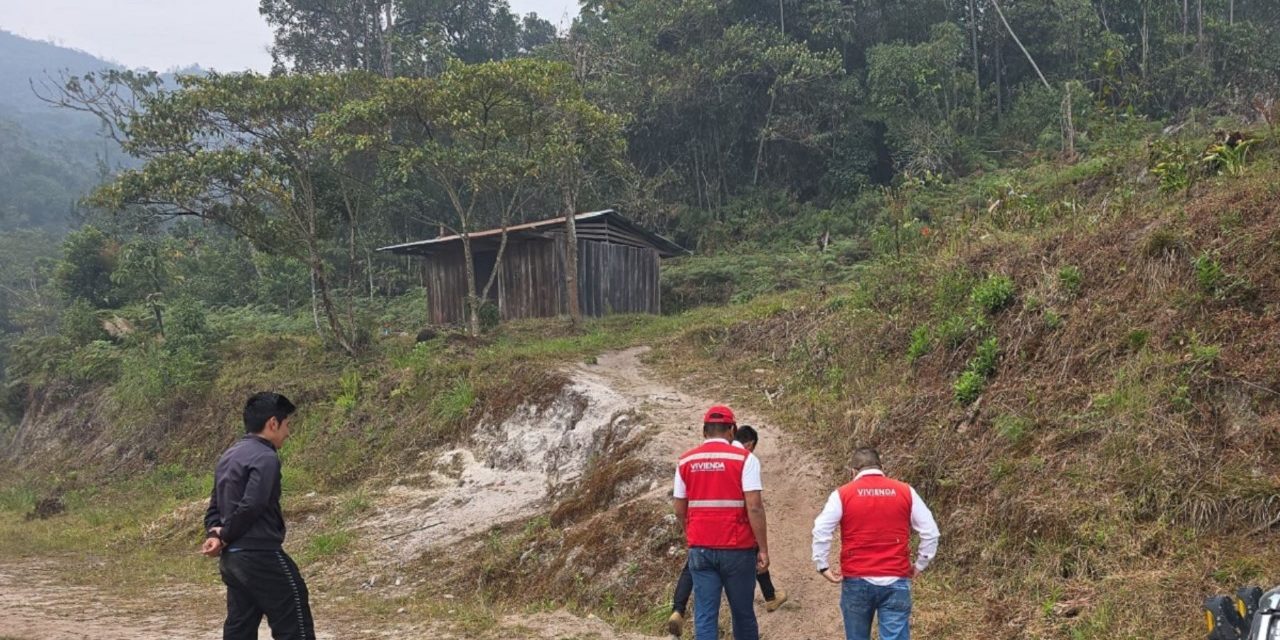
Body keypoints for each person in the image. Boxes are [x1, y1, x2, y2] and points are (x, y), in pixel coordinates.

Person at [201, 392, 315, 640]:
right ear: (273, 423)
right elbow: (253, 504)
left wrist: (215, 533)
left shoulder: (229, 455)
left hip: (234, 562)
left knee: (239, 628)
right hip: (260, 555)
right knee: (295, 621)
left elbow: (214, 506)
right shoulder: (266, 457)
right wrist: (227, 535)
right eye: (287, 425)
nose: (288, 432)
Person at [667, 426, 786, 637]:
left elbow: (678, 509)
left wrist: (691, 534)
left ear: (704, 432)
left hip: (701, 549)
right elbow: (755, 507)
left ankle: (678, 608)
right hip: (737, 549)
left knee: (704, 615)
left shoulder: (685, 461)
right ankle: (770, 596)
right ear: (731, 430)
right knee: (742, 614)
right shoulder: (745, 459)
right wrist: (764, 549)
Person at [811, 447, 939, 640]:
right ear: (882, 467)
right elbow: (930, 532)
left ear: (853, 471)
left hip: (856, 579)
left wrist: (822, 565)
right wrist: (920, 564)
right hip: (896, 578)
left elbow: (821, 529)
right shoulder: (905, 491)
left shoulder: (843, 494)